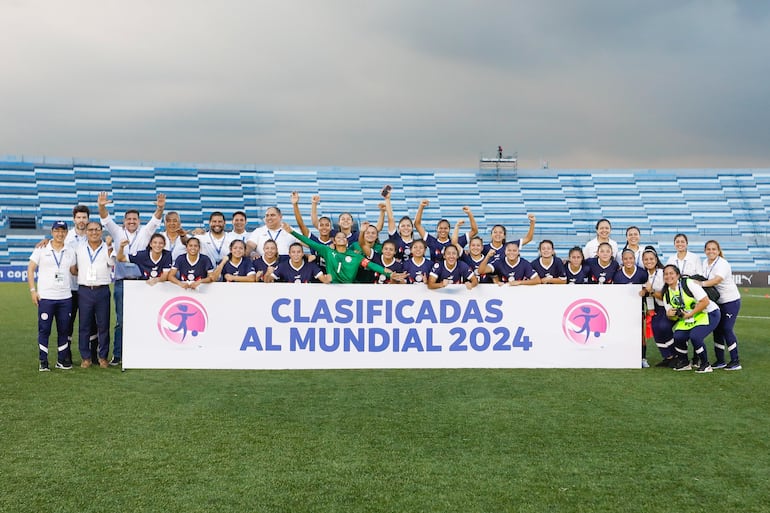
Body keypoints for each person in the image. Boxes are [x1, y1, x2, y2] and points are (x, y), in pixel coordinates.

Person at [98, 191, 166, 366]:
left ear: (139, 221)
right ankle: (118, 355)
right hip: (122, 283)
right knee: (121, 320)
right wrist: (101, 206)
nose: (132, 222)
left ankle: (141, 352)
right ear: (124, 221)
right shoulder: (117, 232)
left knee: (143, 318)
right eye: (129, 219)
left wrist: (160, 207)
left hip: (141, 283)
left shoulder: (145, 233)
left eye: (135, 219)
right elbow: (105, 219)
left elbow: (156, 219)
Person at [27, 221, 77, 371]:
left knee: (64, 330)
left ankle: (61, 361)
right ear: (52, 232)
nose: (60, 234)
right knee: (44, 330)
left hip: (65, 298)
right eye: (57, 231)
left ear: (67, 233)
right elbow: (30, 270)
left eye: (63, 231)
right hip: (46, 297)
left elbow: (74, 270)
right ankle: (43, 361)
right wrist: (32, 291)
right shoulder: (41, 249)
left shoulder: (70, 250)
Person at [282, 222, 396, 283]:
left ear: (347, 241)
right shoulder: (327, 250)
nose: (341, 238)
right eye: (338, 237)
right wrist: (292, 232)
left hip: (349, 289)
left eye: (344, 237)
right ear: (334, 241)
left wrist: (390, 274)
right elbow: (310, 242)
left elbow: (373, 265)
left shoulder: (356, 256)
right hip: (331, 288)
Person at [70, 222, 114, 368]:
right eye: (91, 230)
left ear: (101, 231)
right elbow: (73, 268)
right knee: (84, 325)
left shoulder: (107, 247)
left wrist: (109, 246)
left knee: (103, 325)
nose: (94, 232)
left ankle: (102, 356)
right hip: (85, 290)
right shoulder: (79, 247)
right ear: (86, 232)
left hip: (102, 290)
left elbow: (111, 262)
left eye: (97, 229)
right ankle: (86, 357)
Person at [661, 264, 720, 373]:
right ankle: (684, 362)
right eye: (665, 274)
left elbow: (705, 301)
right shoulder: (667, 294)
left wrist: (690, 314)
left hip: (708, 312)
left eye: (671, 273)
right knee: (678, 337)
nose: (668, 276)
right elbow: (674, 318)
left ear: (678, 275)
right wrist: (670, 315)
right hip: (689, 317)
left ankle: (705, 364)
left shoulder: (688, 283)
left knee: (695, 336)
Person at [700, 240, 742, 370]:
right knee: (717, 330)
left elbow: (717, 279)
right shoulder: (704, 263)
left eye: (714, 249)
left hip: (730, 300)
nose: (711, 251)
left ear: (718, 251)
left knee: (727, 329)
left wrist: (700, 284)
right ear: (705, 251)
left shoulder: (722, 263)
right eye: (708, 249)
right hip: (717, 302)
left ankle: (735, 361)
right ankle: (720, 361)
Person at [639, 246, 676, 366]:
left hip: (669, 306)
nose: (649, 261)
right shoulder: (644, 275)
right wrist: (650, 309)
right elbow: (649, 296)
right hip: (657, 307)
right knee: (656, 327)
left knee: (664, 327)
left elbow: (667, 295)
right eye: (646, 259)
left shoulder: (662, 273)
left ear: (656, 259)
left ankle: (676, 355)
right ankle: (668, 356)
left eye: (651, 259)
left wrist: (652, 291)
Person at [614, 248, 649, 367]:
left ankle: (643, 357)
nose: (628, 261)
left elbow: (647, 289)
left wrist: (644, 291)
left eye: (631, 258)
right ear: (622, 260)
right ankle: (625, 355)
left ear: (634, 259)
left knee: (641, 334)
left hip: (639, 308)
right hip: (623, 308)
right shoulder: (617, 275)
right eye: (625, 258)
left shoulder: (642, 273)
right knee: (624, 332)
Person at [265, 242, 329, 283]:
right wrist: (268, 273)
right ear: (289, 254)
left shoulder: (311, 266)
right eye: (293, 252)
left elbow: (324, 280)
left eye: (298, 252)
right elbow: (267, 281)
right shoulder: (282, 266)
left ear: (303, 254)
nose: (296, 254)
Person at [382, 186, 416, 261]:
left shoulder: (416, 244)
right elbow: (391, 219)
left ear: (412, 228)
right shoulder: (395, 238)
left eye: (408, 225)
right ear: (399, 229)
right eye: (403, 226)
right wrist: (387, 199)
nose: (406, 228)